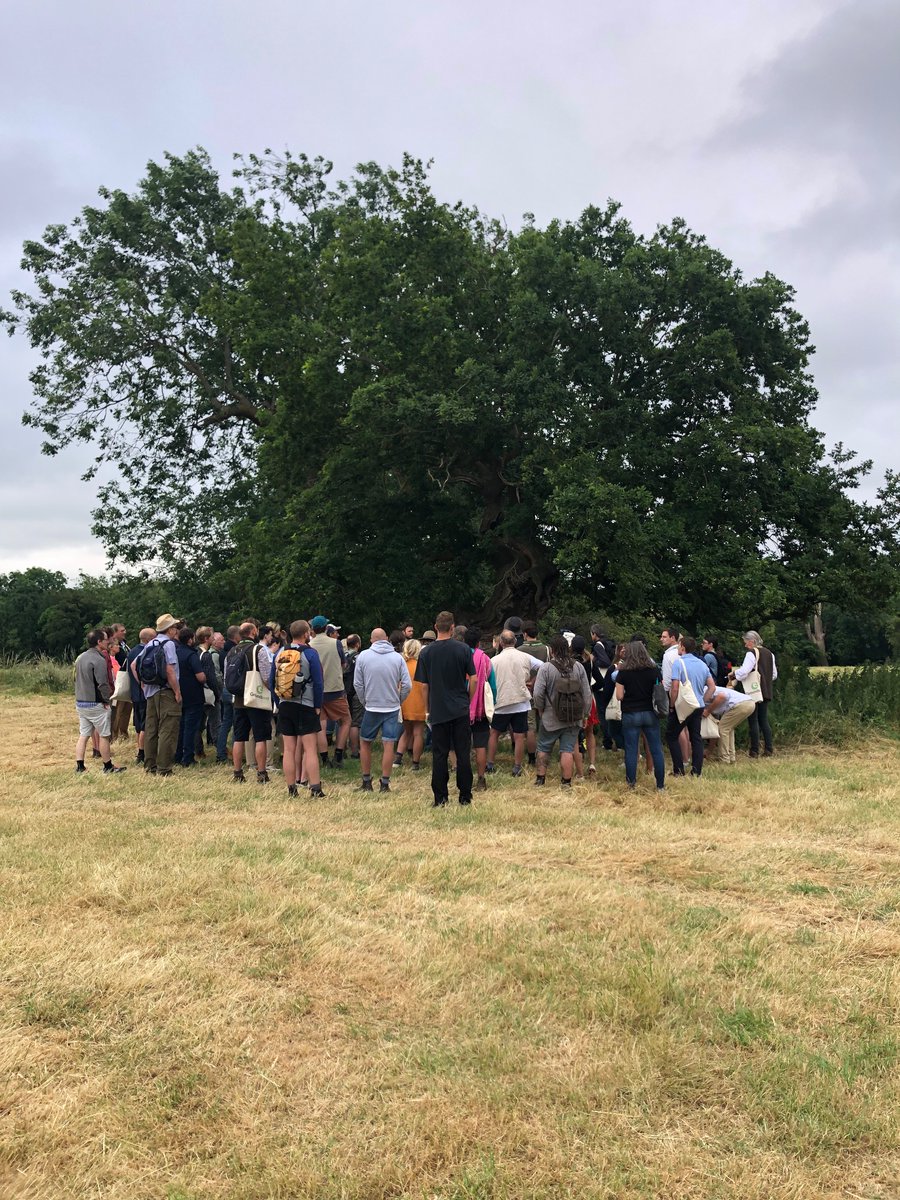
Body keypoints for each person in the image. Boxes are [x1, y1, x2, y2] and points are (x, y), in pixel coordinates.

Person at [415, 611, 477, 806]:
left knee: (439, 754)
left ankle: (440, 797)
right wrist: (468, 698)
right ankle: (465, 796)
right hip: (460, 707)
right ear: (452, 628)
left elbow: (424, 685)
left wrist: (427, 709)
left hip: (438, 709)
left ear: (435, 627)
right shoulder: (464, 649)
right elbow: (473, 679)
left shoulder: (426, 652)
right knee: (462, 752)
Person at [354, 628, 412, 793]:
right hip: (392, 706)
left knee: (365, 742)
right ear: (386, 639)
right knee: (389, 744)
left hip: (371, 705)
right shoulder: (397, 658)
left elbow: (358, 684)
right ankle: (385, 783)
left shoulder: (363, 656)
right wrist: (398, 699)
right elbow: (407, 685)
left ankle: (366, 781)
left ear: (371, 640)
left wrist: (365, 700)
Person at [273, 620, 325, 798]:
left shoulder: (281, 652)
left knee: (288, 749)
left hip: (284, 703)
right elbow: (318, 682)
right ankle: (315, 788)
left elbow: (273, 679)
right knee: (310, 748)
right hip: (305, 703)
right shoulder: (310, 653)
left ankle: (291, 788)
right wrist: (318, 705)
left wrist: (278, 701)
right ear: (305, 634)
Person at [532, 635, 592, 787]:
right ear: (568, 649)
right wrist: (585, 714)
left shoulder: (546, 668)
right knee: (567, 749)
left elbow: (538, 693)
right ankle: (566, 782)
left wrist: (540, 709)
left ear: (552, 651)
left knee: (543, 748)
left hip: (550, 716)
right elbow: (586, 693)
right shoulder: (578, 667)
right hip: (573, 716)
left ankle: (540, 779)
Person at [487, 630, 542, 776]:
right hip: (520, 701)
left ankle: (490, 764)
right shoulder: (524, 656)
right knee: (519, 736)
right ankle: (517, 767)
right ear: (515, 642)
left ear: (501, 643)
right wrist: (532, 682)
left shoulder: (494, 660)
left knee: (494, 733)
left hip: (501, 701)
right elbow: (543, 667)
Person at [614, 640, 666, 791]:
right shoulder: (654, 670)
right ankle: (660, 785)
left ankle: (631, 784)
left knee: (631, 749)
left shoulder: (623, 672)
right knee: (656, 748)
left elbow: (619, 696)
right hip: (650, 712)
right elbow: (659, 691)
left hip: (630, 713)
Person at [74, 629, 125, 774]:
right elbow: (102, 683)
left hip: (81, 701)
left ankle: (80, 765)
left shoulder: (80, 657)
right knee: (104, 735)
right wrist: (106, 700)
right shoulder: (99, 659)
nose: (108, 641)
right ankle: (107, 766)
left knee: (84, 734)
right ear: (98, 642)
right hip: (96, 702)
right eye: (105, 640)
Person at [227, 620, 272, 784]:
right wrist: (271, 691)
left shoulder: (232, 651)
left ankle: (238, 773)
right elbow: (266, 676)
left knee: (239, 737)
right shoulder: (258, 650)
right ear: (254, 632)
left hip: (238, 699)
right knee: (260, 737)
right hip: (256, 698)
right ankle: (261, 773)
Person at [140, 613, 183, 777]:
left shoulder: (150, 643)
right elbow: (170, 669)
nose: (176, 630)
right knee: (168, 729)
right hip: (166, 691)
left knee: (151, 729)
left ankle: (150, 766)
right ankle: (164, 768)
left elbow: (136, 664)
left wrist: (144, 685)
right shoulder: (169, 644)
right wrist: (177, 691)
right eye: (175, 627)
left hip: (151, 691)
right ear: (170, 629)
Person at [668, 636, 716, 777]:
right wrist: (702, 699)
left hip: (683, 706)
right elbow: (712, 687)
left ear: (682, 647)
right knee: (696, 737)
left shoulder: (679, 663)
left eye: (678, 646)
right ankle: (696, 771)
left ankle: (678, 769)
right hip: (698, 705)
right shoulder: (702, 664)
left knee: (672, 735)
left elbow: (675, 688)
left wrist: (672, 705)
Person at [310, 615, 351, 769]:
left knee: (320, 724)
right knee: (346, 721)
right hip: (335, 690)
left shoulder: (309, 645)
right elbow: (343, 663)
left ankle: (325, 758)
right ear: (326, 628)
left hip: (316, 692)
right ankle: (338, 755)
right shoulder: (336, 643)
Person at [734, 630, 777, 757]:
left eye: (746, 642)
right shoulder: (770, 654)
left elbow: (744, 671)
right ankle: (769, 749)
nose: (745, 645)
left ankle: (754, 750)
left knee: (753, 720)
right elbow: (774, 675)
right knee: (763, 719)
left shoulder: (751, 653)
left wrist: (734, 674)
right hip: (766, 691)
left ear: (752, 641)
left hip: (754, 690)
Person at [464, 627, 497, 791]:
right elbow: (492, 685)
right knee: (480, 745)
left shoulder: (460, 656)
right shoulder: (485, 659)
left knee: (462, 745)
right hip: (480, 709)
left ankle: (463, 777)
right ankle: (481, 779)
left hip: (461, 706)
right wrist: (493, 703)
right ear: (479, 642)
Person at [174, 627, 207, 767]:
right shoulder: (191, 655)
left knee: (180, 727)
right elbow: (200, 676)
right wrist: (205, 677)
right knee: (190, 727)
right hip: (194, 695)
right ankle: (188, 757)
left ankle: (178, 755)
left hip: (179, 694)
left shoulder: (175, 653)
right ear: (190, 640)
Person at [702, 685, 757, 765]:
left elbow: (721, 696)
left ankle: (724, 759)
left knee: (722, 729)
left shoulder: (704, 691)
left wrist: (708, 711)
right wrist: (710, 750)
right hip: (749, 703)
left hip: (741, 704)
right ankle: (731, 757)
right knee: (728, 729)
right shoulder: (705, 690)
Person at [397, 638, 427, 769]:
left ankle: (398, 758)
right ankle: (415, 762)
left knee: (406, 732)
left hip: (405, 702)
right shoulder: (422, 665)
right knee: (418, 733)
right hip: (420, 702)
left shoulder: (402, 665)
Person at [126, 627, 154, 764]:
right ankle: (142, 753)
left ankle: (139, 748)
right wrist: (143, 683)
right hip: (144, 693)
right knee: (145, 725)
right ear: (148, 639)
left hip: (134, 694)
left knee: (138, 724)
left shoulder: (132, 652)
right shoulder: (145, 652)